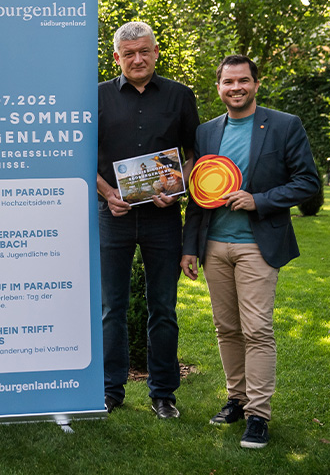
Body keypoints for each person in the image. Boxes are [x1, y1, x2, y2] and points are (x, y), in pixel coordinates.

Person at [181, 55, 319, 448]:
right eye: (228, 82)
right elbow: (198, 194)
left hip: (257, 245)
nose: (236, 88)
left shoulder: (284, 125)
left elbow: (307, 181)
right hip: (214, 245)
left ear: (256, 84)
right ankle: (237, 400)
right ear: (219, 88)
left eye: (243, 80)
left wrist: (259, 200)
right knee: (226, 328)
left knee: (257, 330)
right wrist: (189, 247)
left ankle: (259, 414)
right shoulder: (206, 132)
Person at [97, 21, 199, 419]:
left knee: (164, 307)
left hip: (163, 217)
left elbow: (193, 154)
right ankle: (110, 389)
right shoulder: (97, 97)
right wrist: (108, 193)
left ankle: (163, 394)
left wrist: (177, 186)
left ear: (156, 52)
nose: (137, 59)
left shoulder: (180, 96)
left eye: (144, 51)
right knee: (112, 307)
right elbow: (81, 155)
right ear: (117, 57)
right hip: (113, 216)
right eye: (129, 53)